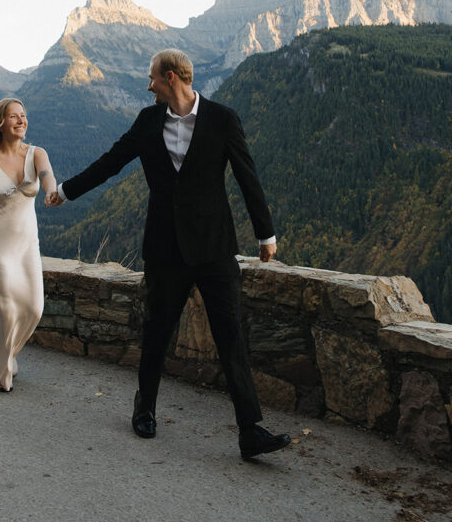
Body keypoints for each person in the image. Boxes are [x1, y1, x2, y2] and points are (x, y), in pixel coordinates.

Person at [49, 49, 291, 459]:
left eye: (153, 78)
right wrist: (66, 191)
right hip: (164, 248)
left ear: (173, 77)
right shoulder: (147, 122)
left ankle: (251, 430)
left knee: (231, 336)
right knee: (157, 331)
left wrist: (265, 234)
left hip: (214, 248)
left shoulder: (223, 119)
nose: (148, 85)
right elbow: (111, 162)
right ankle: (144, 410)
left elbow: (247, 176)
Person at [0, 97, 58, 392]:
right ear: (1, 123)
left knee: (33, 307)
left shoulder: (36, 153)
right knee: (5, 310)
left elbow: (47, 176)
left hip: (27, 246)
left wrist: (50, 191)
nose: (21, 120)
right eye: (14, 117)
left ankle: (6, 354)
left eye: (24, 116)